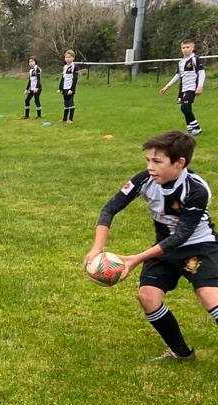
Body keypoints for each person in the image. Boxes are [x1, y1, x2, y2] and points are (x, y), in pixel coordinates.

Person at [84, 130, 218, 361]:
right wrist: (97, 248)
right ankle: (181, 354)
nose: (150, 166)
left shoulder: (196, 189)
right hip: (162, 248)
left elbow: (181, 236)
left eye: (157, 161)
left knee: (209, 297)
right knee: (148, 298)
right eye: (148, 160)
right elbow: (109, 209)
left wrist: (136, 258)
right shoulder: (145, 180)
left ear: (179, 163)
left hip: (199, 247)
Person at [161, 39, 205, 136]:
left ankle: (196, 128)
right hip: (183, 88)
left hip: (192, 87)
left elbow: (201, 73)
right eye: (183, 48)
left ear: (193, 48)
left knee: (184, 106)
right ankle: (190, 128)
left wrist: (200, 86)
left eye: (187, 47)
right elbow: (178, 75)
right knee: (185, 107)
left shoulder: (195, 59)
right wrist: (167, 86)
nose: (185, 49)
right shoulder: (181, 62)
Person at [59, 50, 78, 124]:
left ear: (73, 58)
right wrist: (60, 88)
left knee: (71, 103)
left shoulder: (74, 66)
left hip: (70, 88)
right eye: (66, 57)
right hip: (64, 88)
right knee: (66, 103)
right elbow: (63, 78)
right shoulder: (65, 67)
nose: (67, 58)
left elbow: (75, 79)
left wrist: (72, 89)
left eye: (69, 57)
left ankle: (70, 119)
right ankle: (64, 119)